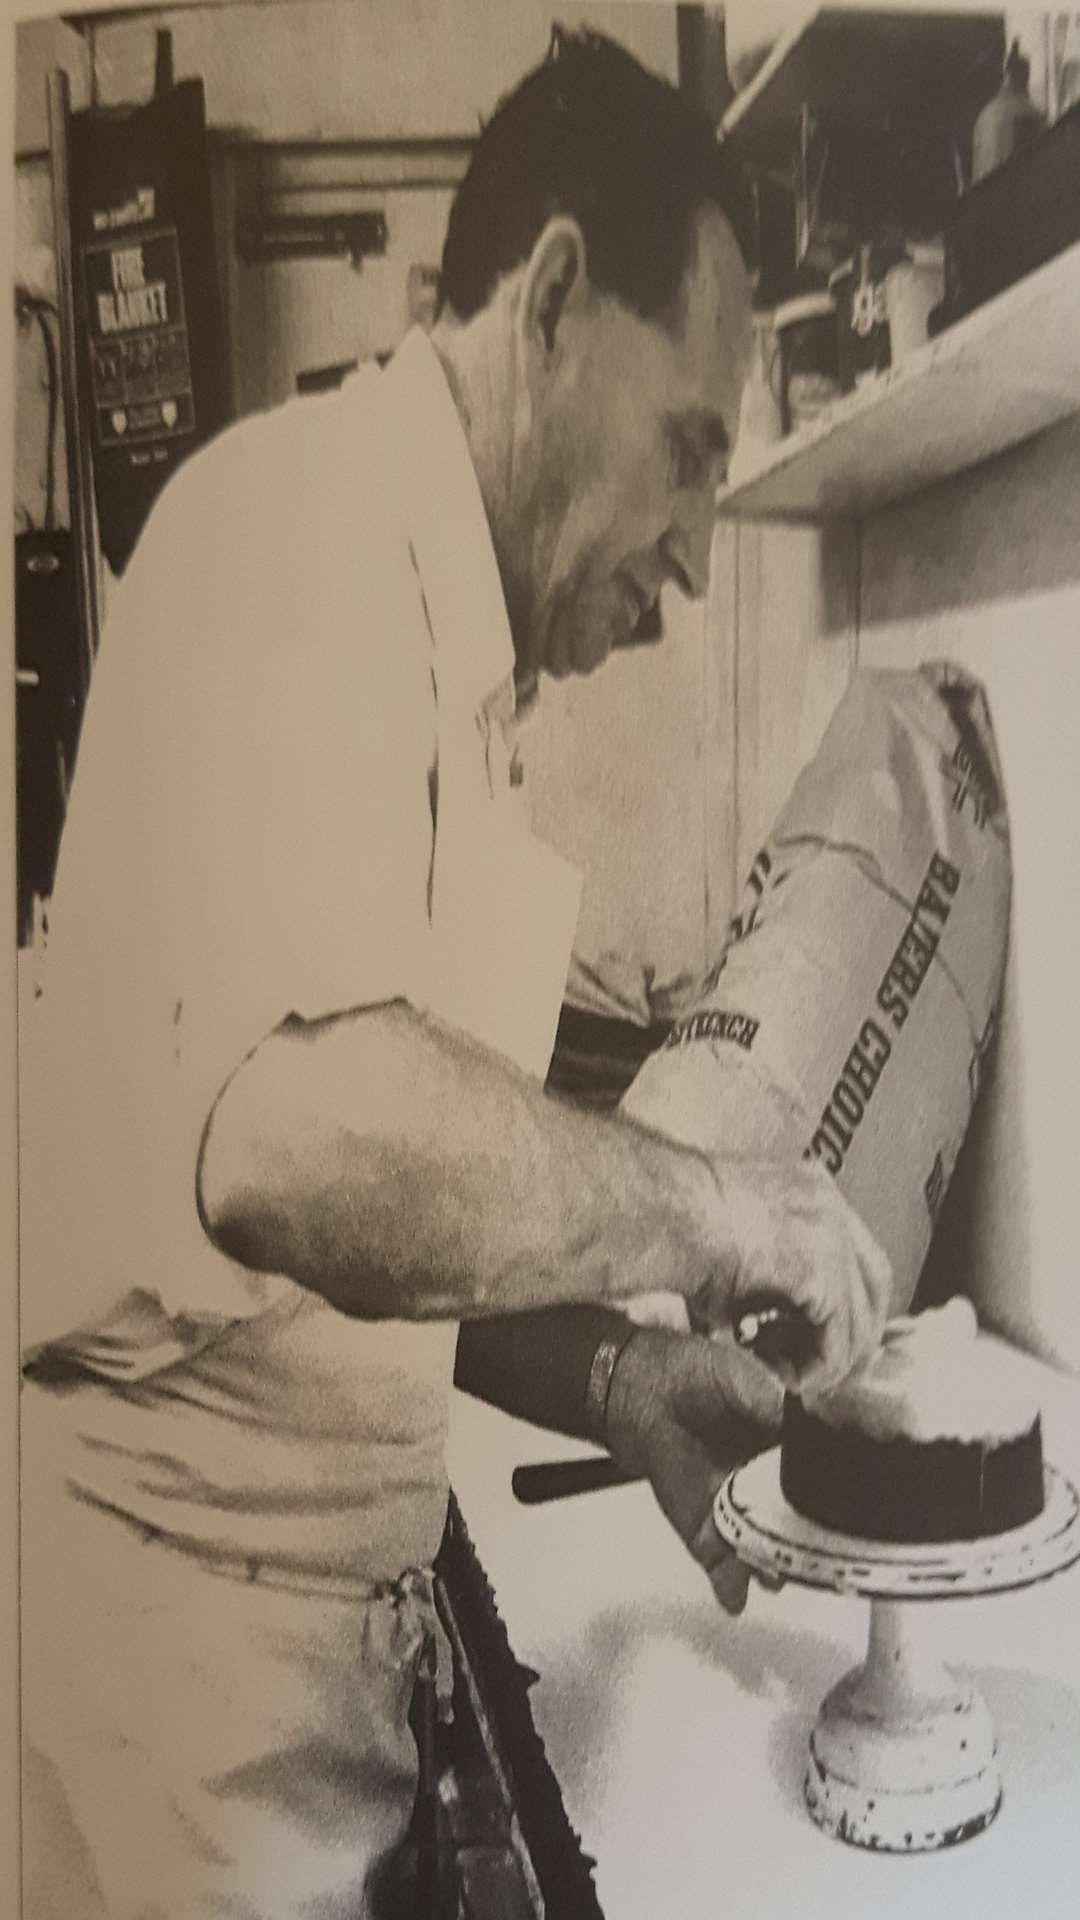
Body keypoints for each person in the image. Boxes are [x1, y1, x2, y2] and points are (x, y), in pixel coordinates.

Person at [19, 30, 890, 1919]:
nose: (689, 562)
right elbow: (298, 1149)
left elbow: (390, 1233)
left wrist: (623, 1382)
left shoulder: (445, 647)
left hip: (307, 1659)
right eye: (688, 454)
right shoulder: (295, 534)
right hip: (181, 1715)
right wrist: (711, 1209)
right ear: (557, 300)